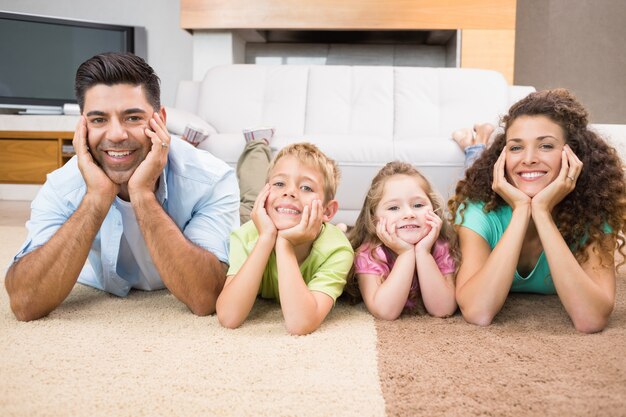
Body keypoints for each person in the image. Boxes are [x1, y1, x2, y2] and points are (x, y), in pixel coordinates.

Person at [5, 52, 239, 321]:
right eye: (98, 120)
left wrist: (142, 195)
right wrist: (96, 198)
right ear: (83, 126)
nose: (116, 134)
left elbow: (205, 298)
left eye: (132, 118)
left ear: (159, 120)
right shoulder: (62, 185)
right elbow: (25, 303)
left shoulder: (211, 179)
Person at [448, 88, 626, 333]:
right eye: (516, 147)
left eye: (545, 146)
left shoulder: (593, 212)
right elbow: (478, 311)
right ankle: (476, 147)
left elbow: (590, 319)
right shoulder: (478, 209)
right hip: (496, 194)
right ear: (503, 154)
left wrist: (542, 211)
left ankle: (477, 146)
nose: (529, 158)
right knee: (474, 165)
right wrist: (521, 209)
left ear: (573, 154)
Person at [216, 142, 354, 335]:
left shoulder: (337, 250)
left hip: (288, 218)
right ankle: (257, 143)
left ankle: (342, 228)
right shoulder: (245, 236)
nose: (289, 192)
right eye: (279, 184)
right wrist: (266, 238)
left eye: (306, 187)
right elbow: (229, 317)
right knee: (246, 201)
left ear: (327, 210)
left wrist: (284, 244)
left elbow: (301, 324)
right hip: (252, 218)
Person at [345, 161, 458, 320]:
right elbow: (385, 312)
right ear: (374, 219)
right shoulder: (369, 253)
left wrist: (423, 252)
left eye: (418, 205)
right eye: (393, 208)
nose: (409, 214)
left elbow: (443, 309)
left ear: (434, 210)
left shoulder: (440, 246)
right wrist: (405, 254)